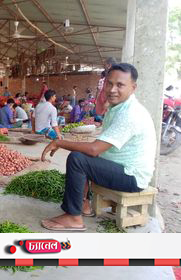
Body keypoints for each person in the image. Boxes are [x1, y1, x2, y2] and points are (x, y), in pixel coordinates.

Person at [40, 63, 156, 231]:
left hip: (132, 176)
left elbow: (94, 149)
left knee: (78, 159)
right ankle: (83, 205)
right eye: (109, 83)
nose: (112, 89)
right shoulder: (118, 108)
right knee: (85, 156)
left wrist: (59, 142)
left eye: (120, 85)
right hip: (121, 169)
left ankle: (73, 218)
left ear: (133, 87)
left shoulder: (131, 113)